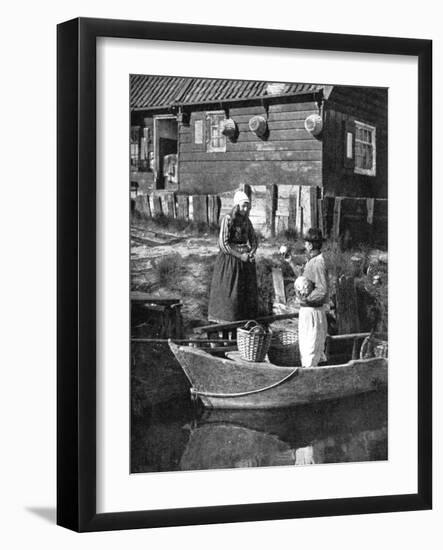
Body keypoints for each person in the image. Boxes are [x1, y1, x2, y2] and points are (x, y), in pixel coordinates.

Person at [207, 191, 258, 323]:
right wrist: (240, 256)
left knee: (244, 297)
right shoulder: (228, 219)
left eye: (248, 206)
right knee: (230, 295)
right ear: (237, 206)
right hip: (230, 261)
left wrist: (251, 253)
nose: (245, 209)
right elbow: (223, 244)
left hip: (245, 263)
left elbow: (254, 240)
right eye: (243, 206)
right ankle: (224, 326)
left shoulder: (247, 222)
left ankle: (241, 329)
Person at [293, 228, 329, 367]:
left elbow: (322, 290)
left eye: (307, 243)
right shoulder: (312, 261)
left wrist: (307, 300)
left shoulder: (318, 263)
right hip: (308, 312)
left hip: (313, 313)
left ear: (312, 245)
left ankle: (311, 380)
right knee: (307, 350)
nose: (305, 245)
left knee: (311, 351)